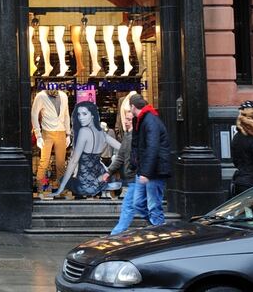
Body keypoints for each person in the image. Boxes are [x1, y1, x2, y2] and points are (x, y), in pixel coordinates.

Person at [55, 101, 121, 198]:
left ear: (92, 115)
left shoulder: (83, 131)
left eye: (84, 114)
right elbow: (122, 148)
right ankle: (102, 183)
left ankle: (99, 184)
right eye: (78, 114)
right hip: (99, 178)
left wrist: (61, 188)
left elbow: (74, 161)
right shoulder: (101, 133)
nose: (80, 117)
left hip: (85, 185)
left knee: (63, 180)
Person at [128, 93, 171, 226]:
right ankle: (155, 225)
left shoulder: (150, 120)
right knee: (138, 203)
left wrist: (146, 173)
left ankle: (158, 230)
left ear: (133, 106)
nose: (129, 112)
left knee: (154, 205)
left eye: (130, 108)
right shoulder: (141, 120)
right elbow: (138, 145)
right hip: (146, 169)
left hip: (154, 171)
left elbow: (152, 147)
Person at [102, 96, 137, 234]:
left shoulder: (139, 136)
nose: (126, 122)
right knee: (141, 207)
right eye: (126, 119)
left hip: (139, 177)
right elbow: (121, 157)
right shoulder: (128, 136)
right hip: (135, 178)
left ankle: (116, 234)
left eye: (129, 119)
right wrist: (108, 172)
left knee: (130, 206)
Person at [30, 90, 70, 200]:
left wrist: (68, 134)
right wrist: (38, 135)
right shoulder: (41, 96)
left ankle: (61, 190)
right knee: (44, 162)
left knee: (61, 164)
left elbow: (66, 114)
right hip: (47, 132)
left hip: (61, 132)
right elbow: (34, 114)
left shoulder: (63, 95)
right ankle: (41, 189)